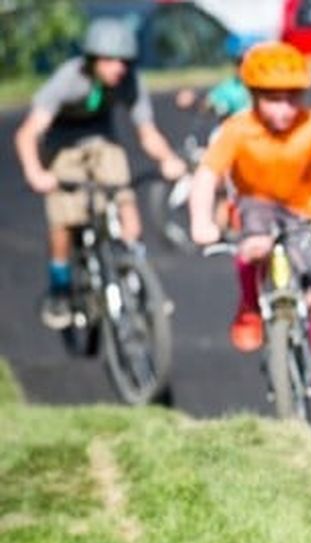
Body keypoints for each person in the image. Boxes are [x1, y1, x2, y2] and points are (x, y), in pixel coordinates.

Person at [187, 41, 311, 413]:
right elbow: (206, 177)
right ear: (252, 95)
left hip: (308, 211)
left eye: (291, 98)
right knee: (253, 244)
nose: (284, 108)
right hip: (258, 205)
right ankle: (250, 306)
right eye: (272, 99)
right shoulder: (237, 130)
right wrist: (201, 222)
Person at [14, 17, 188, 330]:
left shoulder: (129, 82)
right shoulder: (68, 79)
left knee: (124, 197)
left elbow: (147, 133)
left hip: (102, 139)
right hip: (62, 143)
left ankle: (136, 277)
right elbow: (27, 134)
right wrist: (36, 172)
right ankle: (60, 287)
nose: (117, 68)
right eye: (109, 61)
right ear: (92, 60)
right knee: (65, 218)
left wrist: (168, 159)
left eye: (123, 61)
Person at [174, 33, 260, 120]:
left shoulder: (269, 84)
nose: (245, 66)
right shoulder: (229, 89)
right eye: (239, 61)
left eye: (251, 61)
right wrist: (194, 101)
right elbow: (208, 105)